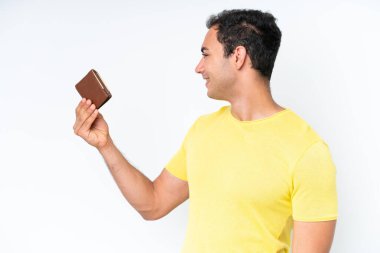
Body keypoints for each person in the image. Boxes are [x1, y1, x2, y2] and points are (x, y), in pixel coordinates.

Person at [73, 9, 338, 253]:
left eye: (205, 54)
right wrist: (105, 145)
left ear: (238, 56)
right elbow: (153, 203)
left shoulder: (307, 151)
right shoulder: (203, 130)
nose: (199, 67)